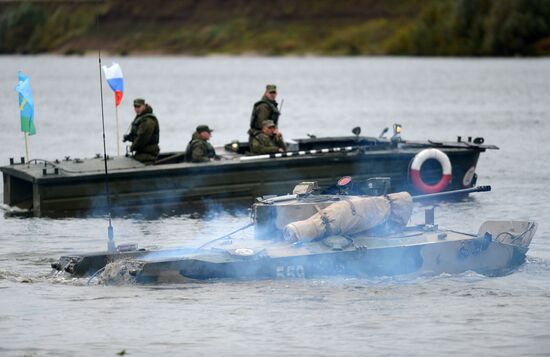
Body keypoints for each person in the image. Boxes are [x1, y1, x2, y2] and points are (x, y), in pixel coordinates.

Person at [123, 98, 160, 165]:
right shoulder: (141, 117)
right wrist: (128, 137)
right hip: (141, 152)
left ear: (144, 106)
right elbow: (136, 135)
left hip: (148, 154)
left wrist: (132, 147)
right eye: (135, 107)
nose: (136, 109)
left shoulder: (148, 121)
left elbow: (142, 138)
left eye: (139, 106)